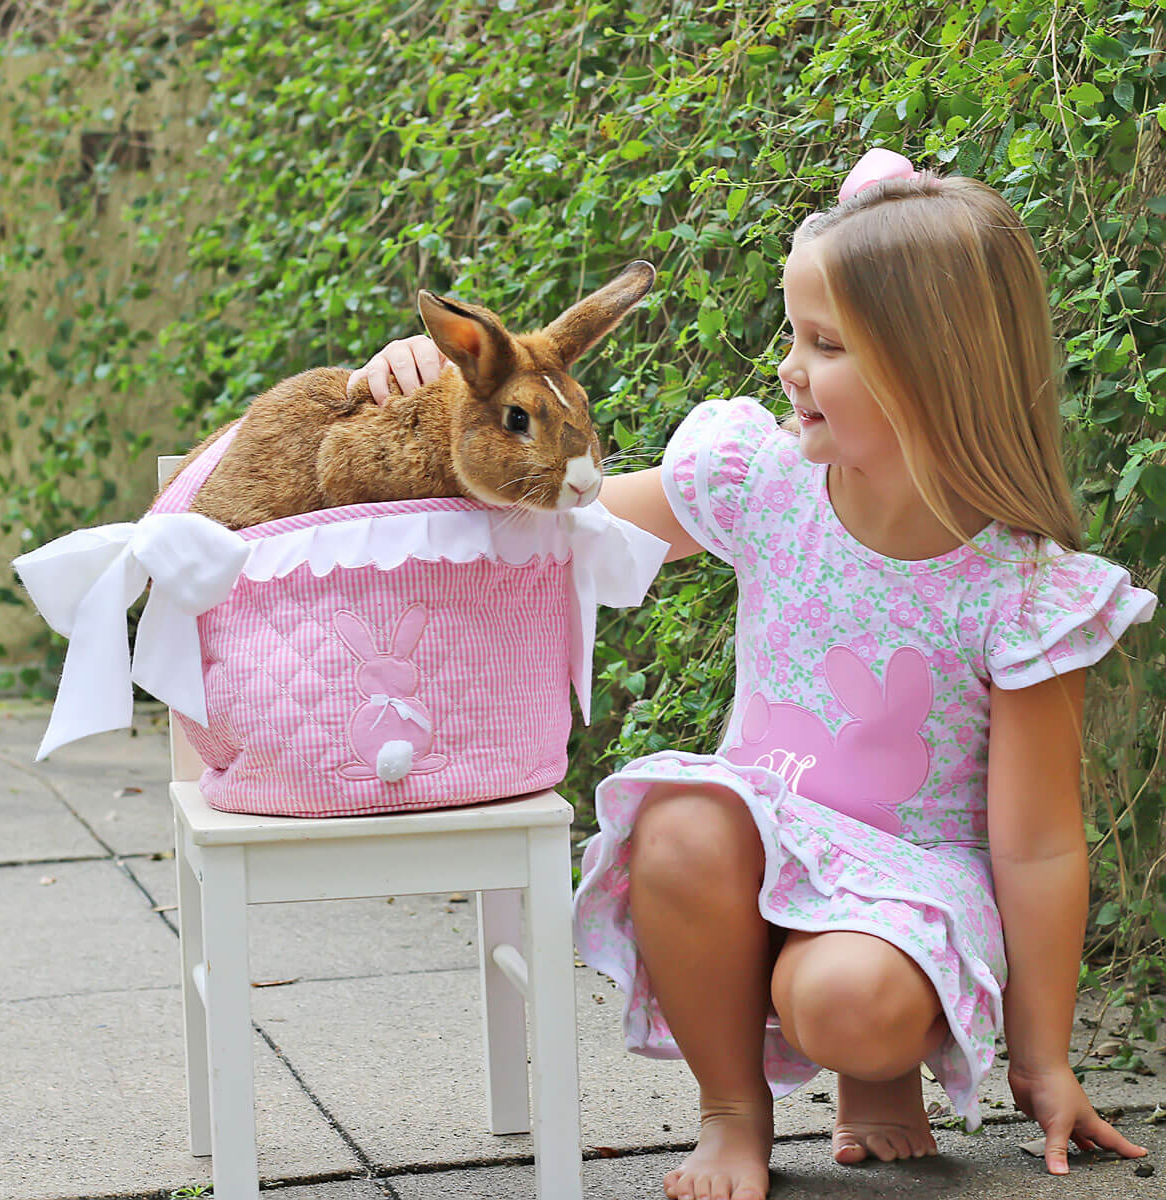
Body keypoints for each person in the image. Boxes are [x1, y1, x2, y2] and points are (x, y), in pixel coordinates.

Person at [348, 149, 1155, 1200]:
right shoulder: (763, 480)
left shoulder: (1024, 591)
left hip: (907, 884)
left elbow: (1037, 844)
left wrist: (1043, 1060)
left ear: (937, 370)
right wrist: (438, 394)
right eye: (792, 335)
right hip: (757, 846)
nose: (788, 369)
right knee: (680, 819)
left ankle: (879, 1063)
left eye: (826, 344)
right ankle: (733, 1112)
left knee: (849, 1005)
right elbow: (552, 519)